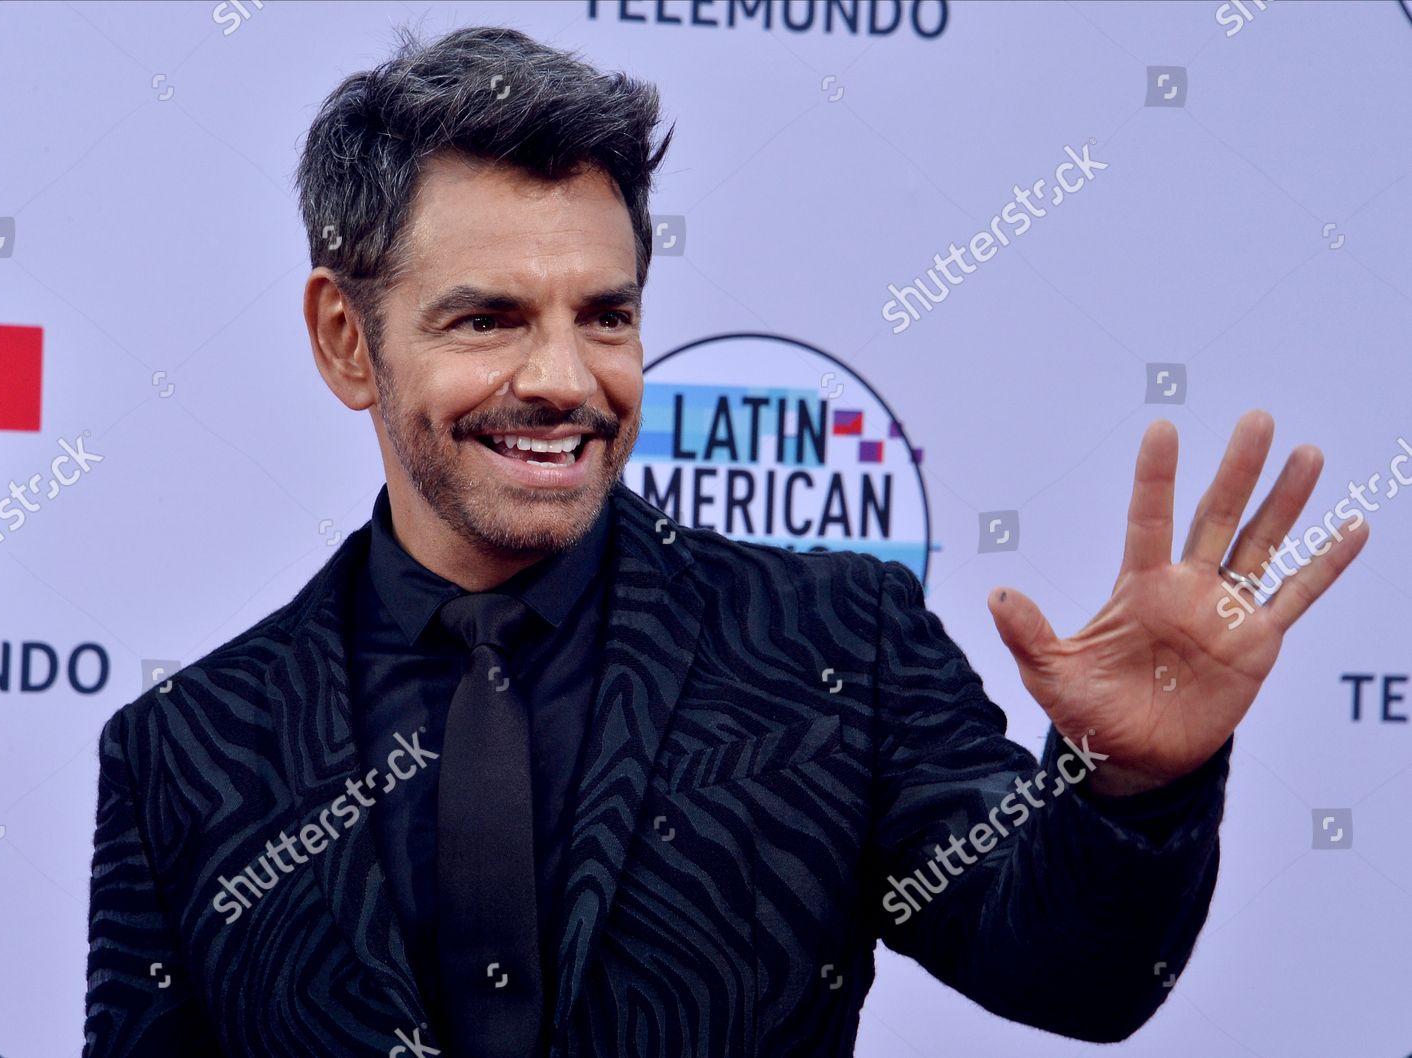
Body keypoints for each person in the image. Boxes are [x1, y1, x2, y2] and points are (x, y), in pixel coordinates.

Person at [83, 25, 1368, 1058]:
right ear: (345, 340)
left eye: (606, 313)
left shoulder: (832, 643)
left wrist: (1126, 788)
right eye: (485, 319)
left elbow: (1074, 976)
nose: (562, 379)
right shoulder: (182, 748)